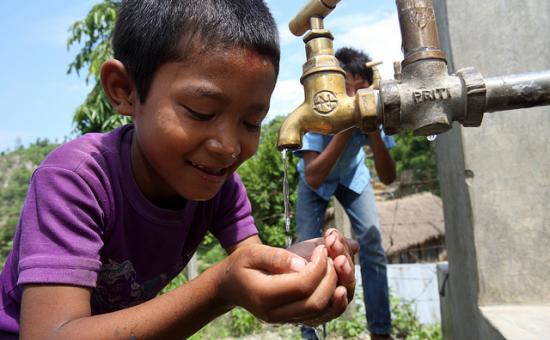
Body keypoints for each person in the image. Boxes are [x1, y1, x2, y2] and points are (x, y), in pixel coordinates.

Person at [0, 1, 359, 338]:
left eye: (251, 122)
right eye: (201, 112)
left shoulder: (222, 188)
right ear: (124, 90)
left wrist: (312, 264)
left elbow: (253, 265)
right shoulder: (75, 180)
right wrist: (218, 290)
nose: (229, 146)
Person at [295, 47, 396, 340]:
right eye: (346, 89)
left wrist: (373, 130)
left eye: (360, 90)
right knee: (308, 254)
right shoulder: (319, 110)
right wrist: (347, 129)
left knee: (373, 245)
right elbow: (314, 176)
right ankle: (309, 334)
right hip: (314, 184)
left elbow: (388, 177)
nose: (353, 98)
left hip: (353, 176)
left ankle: (381, 331)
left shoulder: (373, 112)